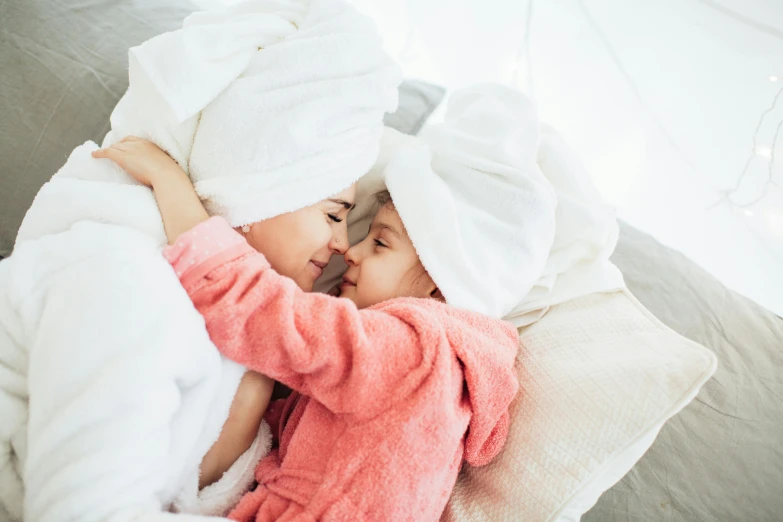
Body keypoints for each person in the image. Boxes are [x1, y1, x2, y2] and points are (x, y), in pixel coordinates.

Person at [92, 136, 520, 522]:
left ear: (436, 283)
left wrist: (170, 183)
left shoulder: (414, 352)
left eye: (380, 244)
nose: (350, 252)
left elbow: (262, 312)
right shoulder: (437, 379)